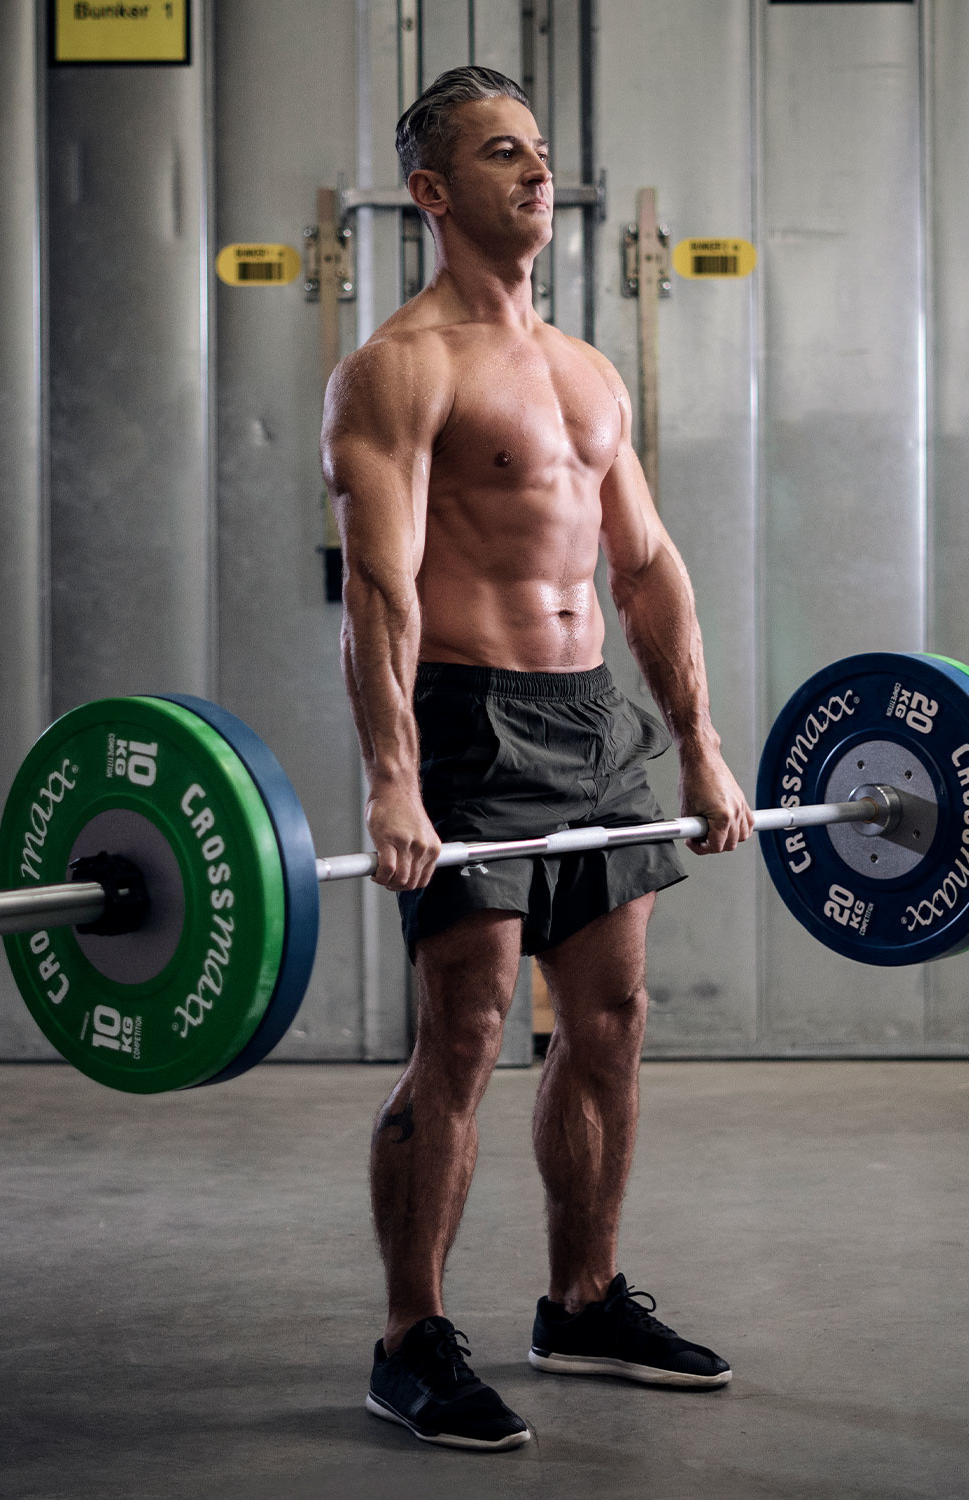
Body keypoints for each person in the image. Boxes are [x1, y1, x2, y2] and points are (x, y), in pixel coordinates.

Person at [321, 65, 756, 1453]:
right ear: (433, 191)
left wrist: (699, 747)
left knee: (610, 1020)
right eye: (501, 153)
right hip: (471, 721)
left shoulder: (586, 370)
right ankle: (410, 1340)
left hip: (594, 722)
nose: (536, 173)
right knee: (464, 1032)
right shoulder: (400, 369)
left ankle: (582, 1300)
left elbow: (647, 568)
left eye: (541, 151)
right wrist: (394, 775)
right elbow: (379, 592)